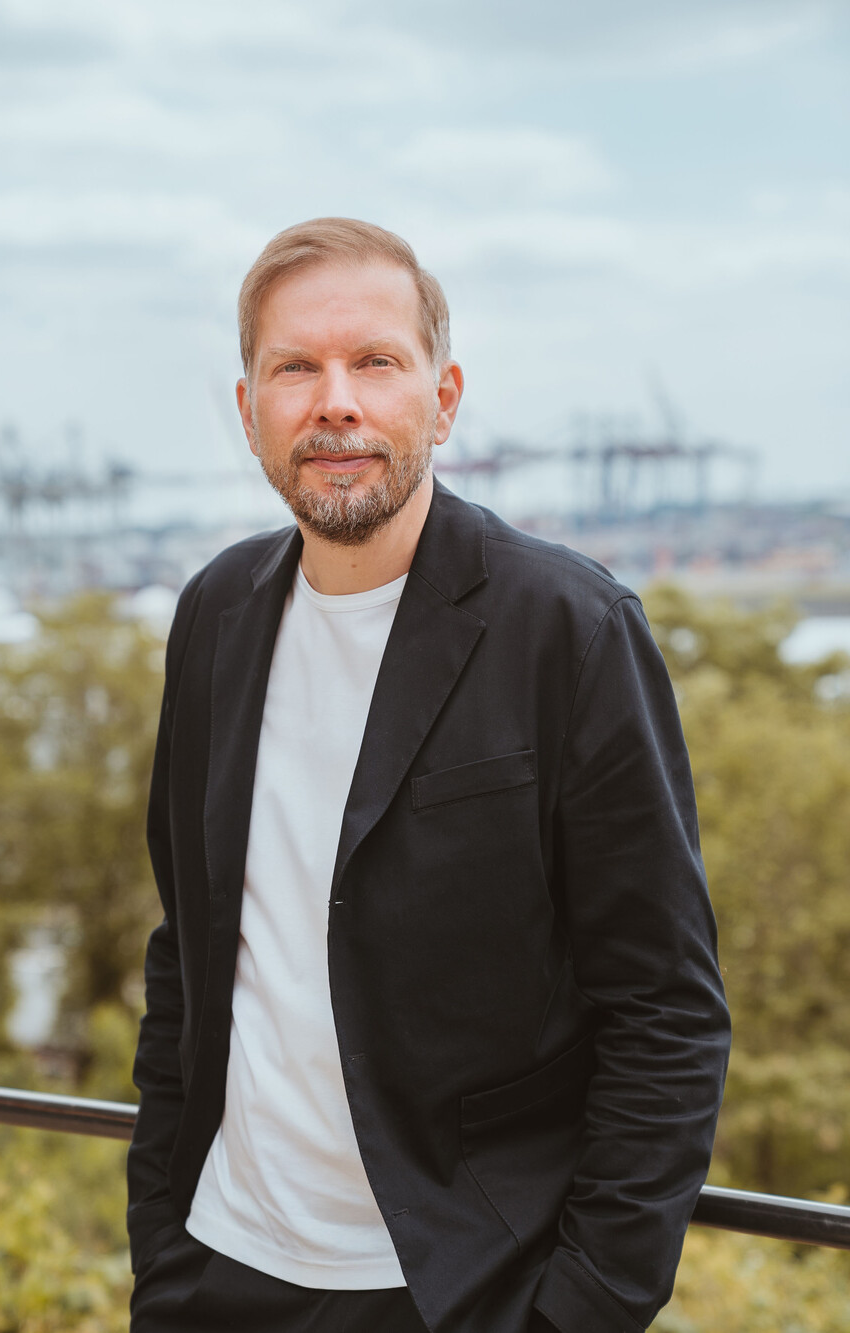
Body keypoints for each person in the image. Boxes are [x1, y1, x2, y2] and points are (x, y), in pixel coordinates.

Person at [126, 217, 730, 1333]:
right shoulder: (214, 614)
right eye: (295, 368)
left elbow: (666, 1012)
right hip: (217, 1269)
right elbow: (190, 952)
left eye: (375, 361)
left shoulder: (568, 627)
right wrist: (161, 1241)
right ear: (248, 409)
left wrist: (578, 1311)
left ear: (443, 399)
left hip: (460, 1290)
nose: (335, 402)